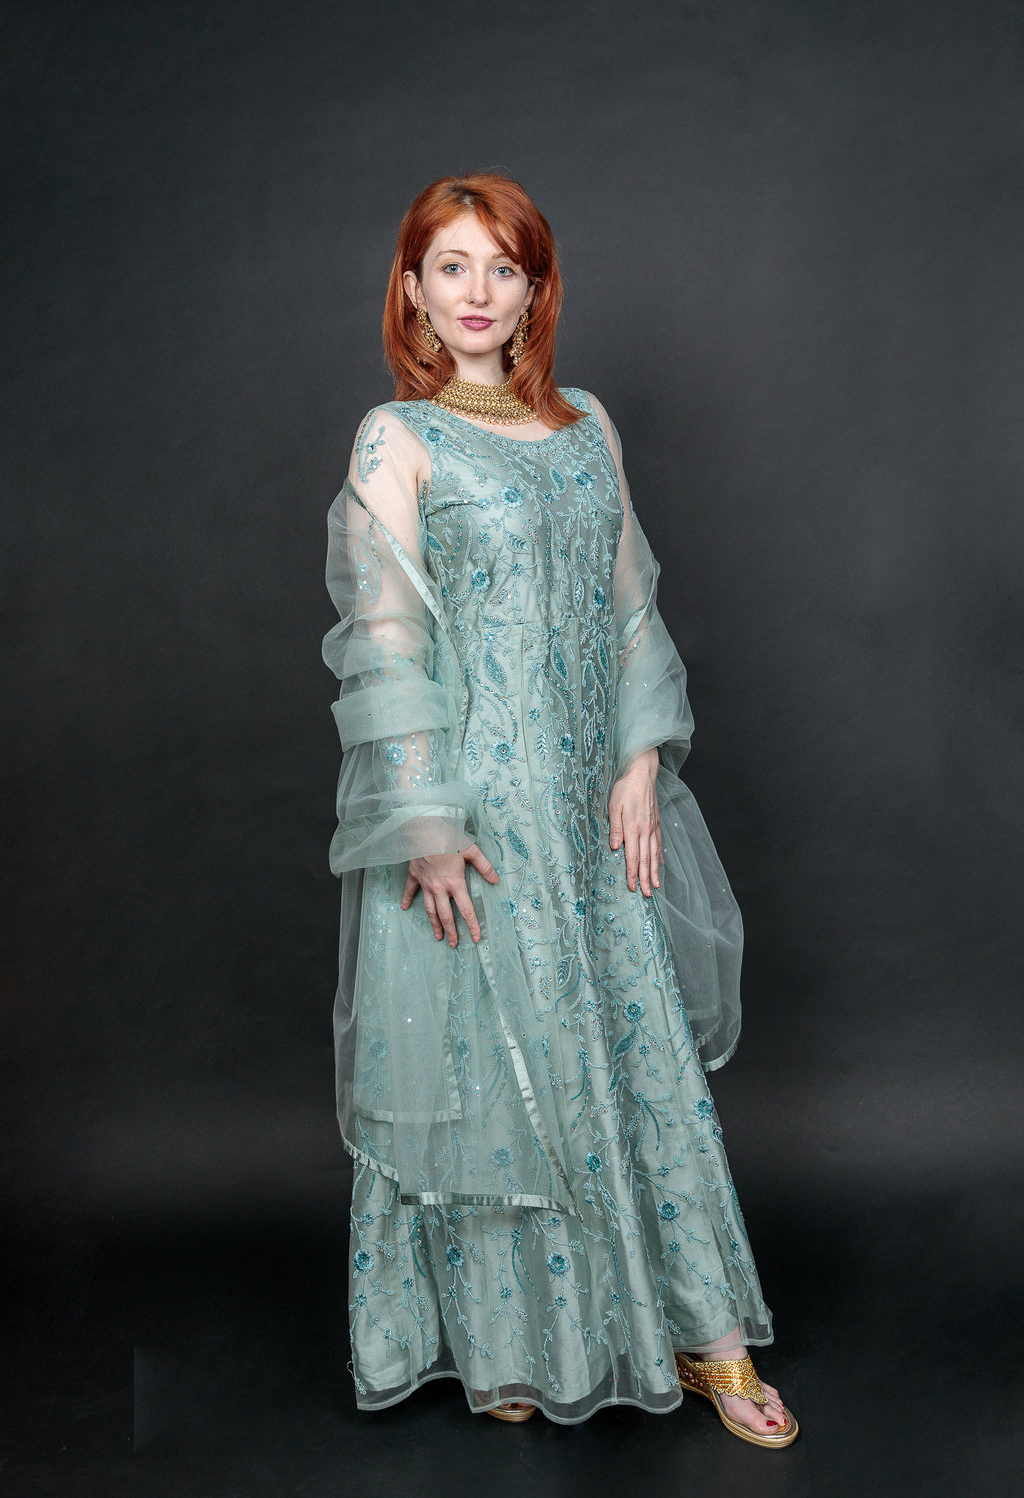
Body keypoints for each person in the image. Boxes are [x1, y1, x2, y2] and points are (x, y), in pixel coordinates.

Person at [322, 172, 797, 1445]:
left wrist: (639, 761)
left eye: (503, 267)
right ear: (413, 291)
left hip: (590, 812)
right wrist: (424, 824)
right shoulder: (396, 438)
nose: (477, 291)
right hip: (476, 816)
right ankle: (516, 1338)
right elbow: (383, 640)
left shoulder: (587, 424)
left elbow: (630, 606)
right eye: (452, 266)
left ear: (536, 290)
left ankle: (711, 1345)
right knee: (499, 1075)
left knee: (630, 1067)